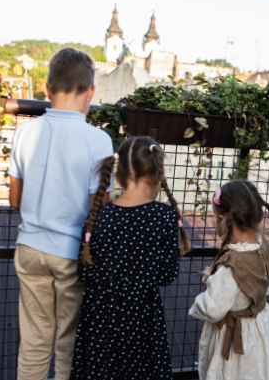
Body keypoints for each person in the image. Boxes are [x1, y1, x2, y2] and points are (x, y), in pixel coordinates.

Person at [8, 48, 114, 380]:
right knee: (69, 344)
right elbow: (99, 208)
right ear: (90, 92)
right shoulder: (99, 141)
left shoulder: (25, 132)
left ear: (47, 88)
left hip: (29, 247)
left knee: (34, 342)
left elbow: (14, 199)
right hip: (71, 253)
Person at [70, 136, 190, 380]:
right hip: (142, 320)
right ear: (157, 173)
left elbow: (84, 273)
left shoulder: (98, 216)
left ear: (119, 173)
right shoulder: (164, 217)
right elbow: (168, 275)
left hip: (100, 321)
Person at [189, 180, 269, 380]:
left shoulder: (230, 266)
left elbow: (213, 308)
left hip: (236, 341)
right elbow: (267, 286)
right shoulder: (264, 251)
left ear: (222, 219)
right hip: (262, 329)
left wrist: (197, 304)